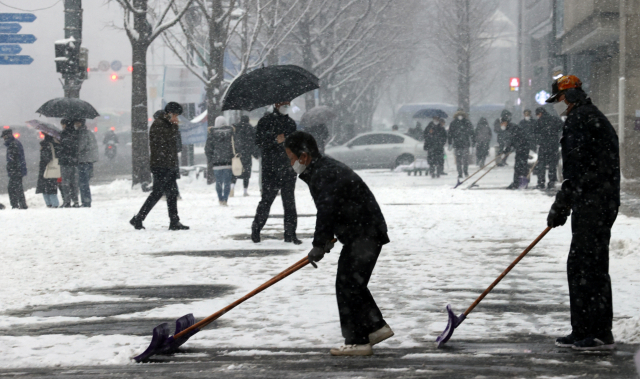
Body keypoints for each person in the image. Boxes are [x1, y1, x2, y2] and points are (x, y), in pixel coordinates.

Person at [284, 131, 393, 356]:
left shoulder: (323, 173)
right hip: (363, 230)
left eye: (291, 157)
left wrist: (319, 243)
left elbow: (327, 210)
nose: (291, 162)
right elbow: (335, 206)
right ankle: (375, 328)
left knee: (348, 285)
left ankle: (357, 341)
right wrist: (327, 239)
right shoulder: (322, 169)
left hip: (364, 233)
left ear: (303, 157)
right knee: (352, 283)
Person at [546, 75, 620, 351]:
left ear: (568, 96)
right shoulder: (587, 116)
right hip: (594, 201)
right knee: (583, 265)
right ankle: (583, 330)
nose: (556, 105)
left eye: (557, 99)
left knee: (588, 266)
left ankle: (598, 331)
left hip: (595, 202)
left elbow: (578, 169)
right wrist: (567, 203)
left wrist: (561, 204)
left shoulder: (581, 120)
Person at [130, 102, 189, 231]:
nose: (177, 119)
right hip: (161, 165)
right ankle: (138, 218)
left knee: (172, 193)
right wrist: (173, 129)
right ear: (169, 114)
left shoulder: (169, 125)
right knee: (157, 193)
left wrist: (174, 128)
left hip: (169, 164)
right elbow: (161, 146)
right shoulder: (159, 125)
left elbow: (176, 146)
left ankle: (174, 221)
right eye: (175, 115)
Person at [252, 101, 300, 244]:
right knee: (267, 200)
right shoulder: (265, 122)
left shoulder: (291, 123)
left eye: (288, 104)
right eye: (284, 104)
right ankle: (256, 229)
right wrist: (274, 140)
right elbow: (258, 142)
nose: (287, 106)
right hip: (271, 168)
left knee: (289, 201)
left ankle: (290, 234)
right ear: (276, 104)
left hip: (288, 167)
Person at [205, 115, 234, 205]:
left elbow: (208, 148)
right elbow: (235, 146)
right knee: (227, 182)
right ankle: (225, 199)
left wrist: (211, 159)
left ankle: (220, 199)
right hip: (228, 162)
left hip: (216, 162)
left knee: (218, 182)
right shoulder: (231, 132)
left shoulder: (212, 134)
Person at [501, 110, 532, 189]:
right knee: (518, 166)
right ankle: (517, 182)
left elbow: (514, 139)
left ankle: (521, 183)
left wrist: (508, 149)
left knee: (521, 166)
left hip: (523, 148)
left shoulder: (512, 128)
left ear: (506, 122)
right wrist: (508, 149)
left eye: (503, 123)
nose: (502, 125)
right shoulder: (510, 128)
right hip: (521, 148)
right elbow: (512, 141)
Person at [534, 107, 563, 190]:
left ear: (540, 113)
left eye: (537, 114)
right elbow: (562, 127)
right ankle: (551, 182)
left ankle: (541, 182)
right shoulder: (555, 119)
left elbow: (535, 133)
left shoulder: (539, 121)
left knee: (541, 165)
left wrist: (539, 141)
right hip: (553, 146)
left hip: (543, 146)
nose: (537, 116)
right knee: (552, 165)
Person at [231, 115, 257, 197]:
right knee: (246, 172)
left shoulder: (235, 128)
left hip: (237, 154)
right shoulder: (250, 129)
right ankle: (245, 191)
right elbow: (253, 142)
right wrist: (255, 153)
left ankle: (232, 188)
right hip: (247, 153)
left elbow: (232, 140)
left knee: (235, 170)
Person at [2, 129, 27, 209]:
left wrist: (11, 168)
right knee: (17, 188)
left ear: (7, 136)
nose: (3, 139)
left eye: (4, 137)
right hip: (17, 170)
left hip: (16, 170)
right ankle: (20, 205)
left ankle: (17, 205)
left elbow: (14, 159)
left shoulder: (13, 145)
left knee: (13, 188)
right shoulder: (14, 143)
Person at [77, 120, 99, 207]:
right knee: (85, 181)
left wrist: (73, 150)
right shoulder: (89, 133)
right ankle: (86, 201)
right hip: (89, 160)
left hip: (84, 160)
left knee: (83, 182)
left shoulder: (83, 134)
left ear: (80, 123)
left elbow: (80, 146)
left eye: (76, 122)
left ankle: (86, 201)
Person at [58, 119, 80, 208]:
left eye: (62, 124)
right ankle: (76, 201)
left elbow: (64, 148)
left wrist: (59, 144)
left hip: (65, 161)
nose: (62, 126)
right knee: (74, 182)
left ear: (65, 124)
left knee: (65, 182)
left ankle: (67, 201)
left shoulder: (63, 134)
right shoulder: (76, 133)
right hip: (74, 161)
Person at [36, 134, 61, 208]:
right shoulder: (55, 144)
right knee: (52, 186)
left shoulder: (46, 145)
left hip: (46, 168)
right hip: (52, 169)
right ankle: (54, 203)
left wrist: (42, 150)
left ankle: (50, 203)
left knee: (45, 187)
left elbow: (46, 158)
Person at [448, 110, 474, 178]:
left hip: (458, 144)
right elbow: (472, 133)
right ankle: (464, 172)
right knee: (464, 159)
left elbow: (450, 134)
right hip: (463, 144)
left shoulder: (454, 123)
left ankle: (461, 172)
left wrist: (450, 142)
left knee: (459, 160)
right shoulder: (467, 122)